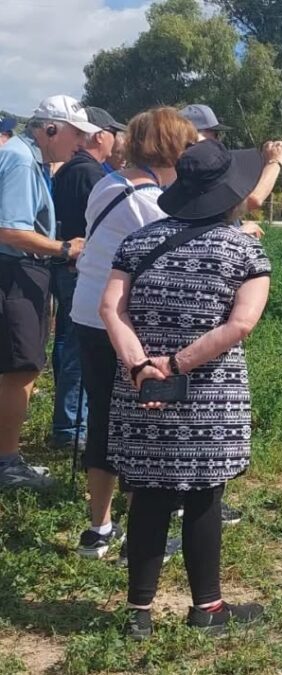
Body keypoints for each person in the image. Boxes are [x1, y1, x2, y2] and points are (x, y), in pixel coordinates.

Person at [99, 139, 271, 639]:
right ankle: (207, 609)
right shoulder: (244, 250)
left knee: (148, 493)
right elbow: (241, 325)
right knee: (202, 496)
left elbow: (111, 308)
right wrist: (176, 364)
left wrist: (140, 367)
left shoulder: (137, 242)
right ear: (229, 193)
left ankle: (137, 614)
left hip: (141, 390)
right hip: (209, 394)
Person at [72, 107, 196, 560]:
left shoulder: (108, 183)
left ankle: (99, 529)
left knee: (103, 419)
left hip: (87, 314)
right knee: (142, 426)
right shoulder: (150, 201)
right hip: (124, 324)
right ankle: (144, 539)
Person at [0, 95, 100, 491]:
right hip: (15, 271)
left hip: (22, 271)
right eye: (76, 135)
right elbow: (9, 230)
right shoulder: (24, 162)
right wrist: (63, 248)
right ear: (52, 129)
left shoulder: (31, 160)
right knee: (21, 367)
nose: (79, 144)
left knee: (19, 365)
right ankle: (7, 463)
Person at [50, 107, 126, 451]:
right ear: (99, 135)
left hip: (63, 266)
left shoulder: (70, 170)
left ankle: (67, 423)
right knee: (78, 351)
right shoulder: (93, 175)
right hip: (78, 270)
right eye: (113, 132)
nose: (117, 139)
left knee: (67, 344)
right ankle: (71, 428)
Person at [180, 103, 282, 235]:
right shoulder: (190, 171)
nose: (218, 141)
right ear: (191, 137)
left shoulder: (187, 168)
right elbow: (252, 200)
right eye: (214, 134)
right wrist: (274, 162)